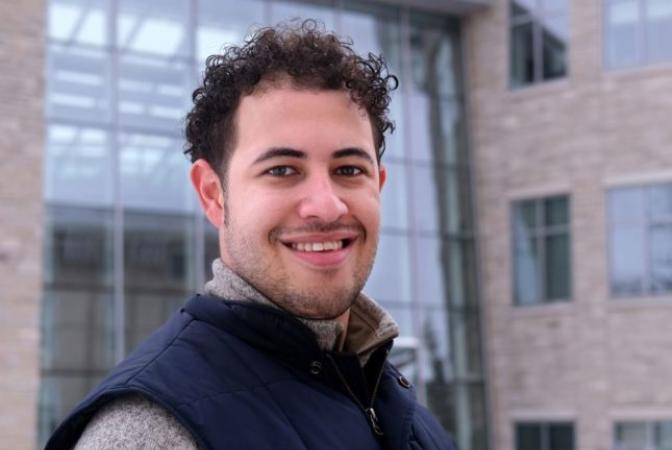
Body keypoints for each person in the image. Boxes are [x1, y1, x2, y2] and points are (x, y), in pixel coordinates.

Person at [45, 20, 455, 450]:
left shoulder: (393, 403)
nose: (327, 204)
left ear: (379, 184)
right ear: (213, 195)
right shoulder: (153, 431)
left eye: (349, 170)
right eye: (282, 170)